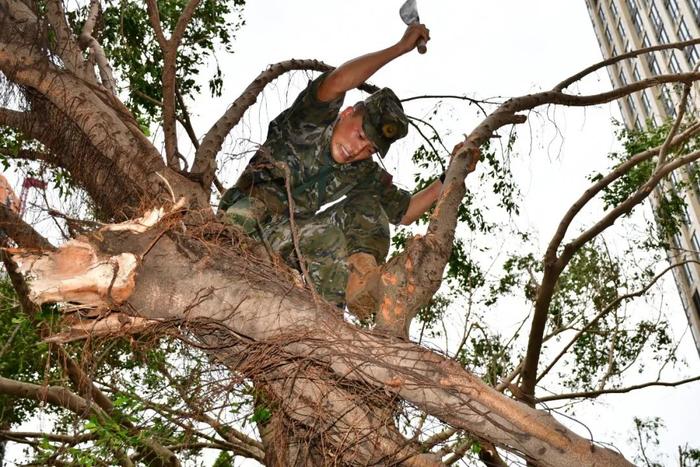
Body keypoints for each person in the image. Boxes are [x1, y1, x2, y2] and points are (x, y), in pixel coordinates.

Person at [220, 24, 477, 316]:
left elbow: (404, 212)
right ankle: (319, 323)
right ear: (347, 113)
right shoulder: (310, 122)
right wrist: (399, 47)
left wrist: (453, 172)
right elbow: (339, 79)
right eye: (360, 135)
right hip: (243, 224)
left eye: (369, 148)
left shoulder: (360, 170)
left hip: (289, 238)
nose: (358, 149)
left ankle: (354, 288)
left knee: (367, 207)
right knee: (301, 228)